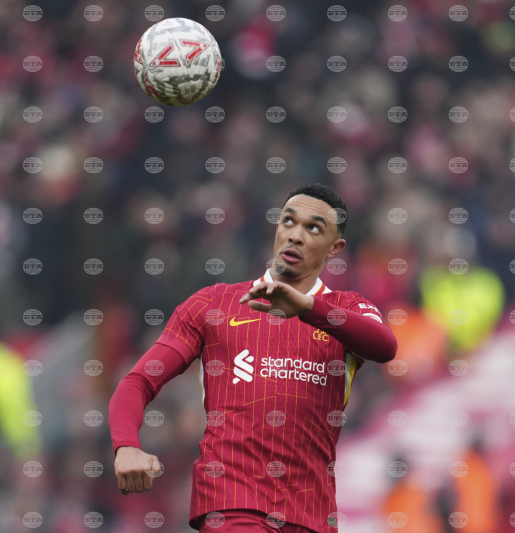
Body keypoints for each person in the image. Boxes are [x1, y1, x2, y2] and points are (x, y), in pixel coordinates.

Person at [109, 183, 398, 532]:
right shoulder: (213, 304)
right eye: (288, 221)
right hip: (233, 503)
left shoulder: (345, 309)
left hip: (312, 514)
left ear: (334, 248)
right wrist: (126, 446)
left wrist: (307, 309)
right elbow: (138, 381)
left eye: (313, 228)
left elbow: (385, 347)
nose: (295, 235)